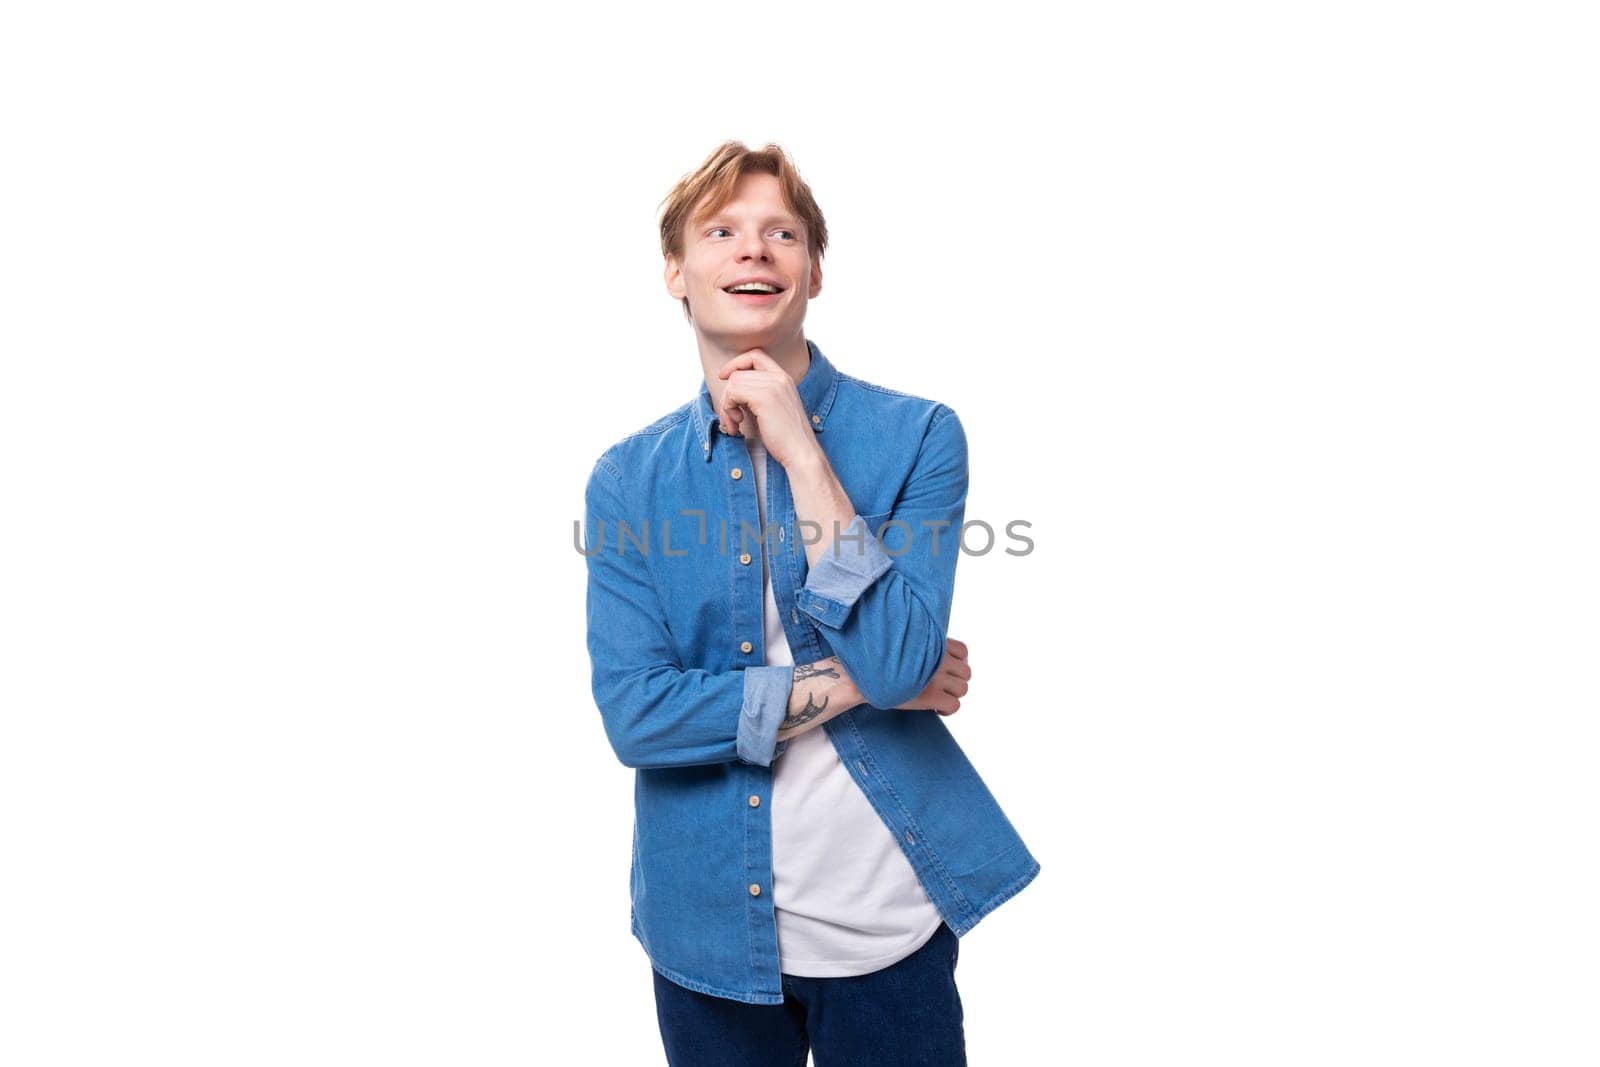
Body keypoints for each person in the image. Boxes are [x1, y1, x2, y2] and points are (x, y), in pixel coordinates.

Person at [581, 141, 1040, 1066]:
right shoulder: (627, 481)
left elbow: (906, 663)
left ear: (812, 271)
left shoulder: (918, 436)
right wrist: (862, 680)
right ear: (677, 269)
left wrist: (801, 451)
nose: (753, 250)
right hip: (705, 930)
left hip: (888, 928)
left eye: (780, 232)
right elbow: (637, 716)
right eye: (722, 231)